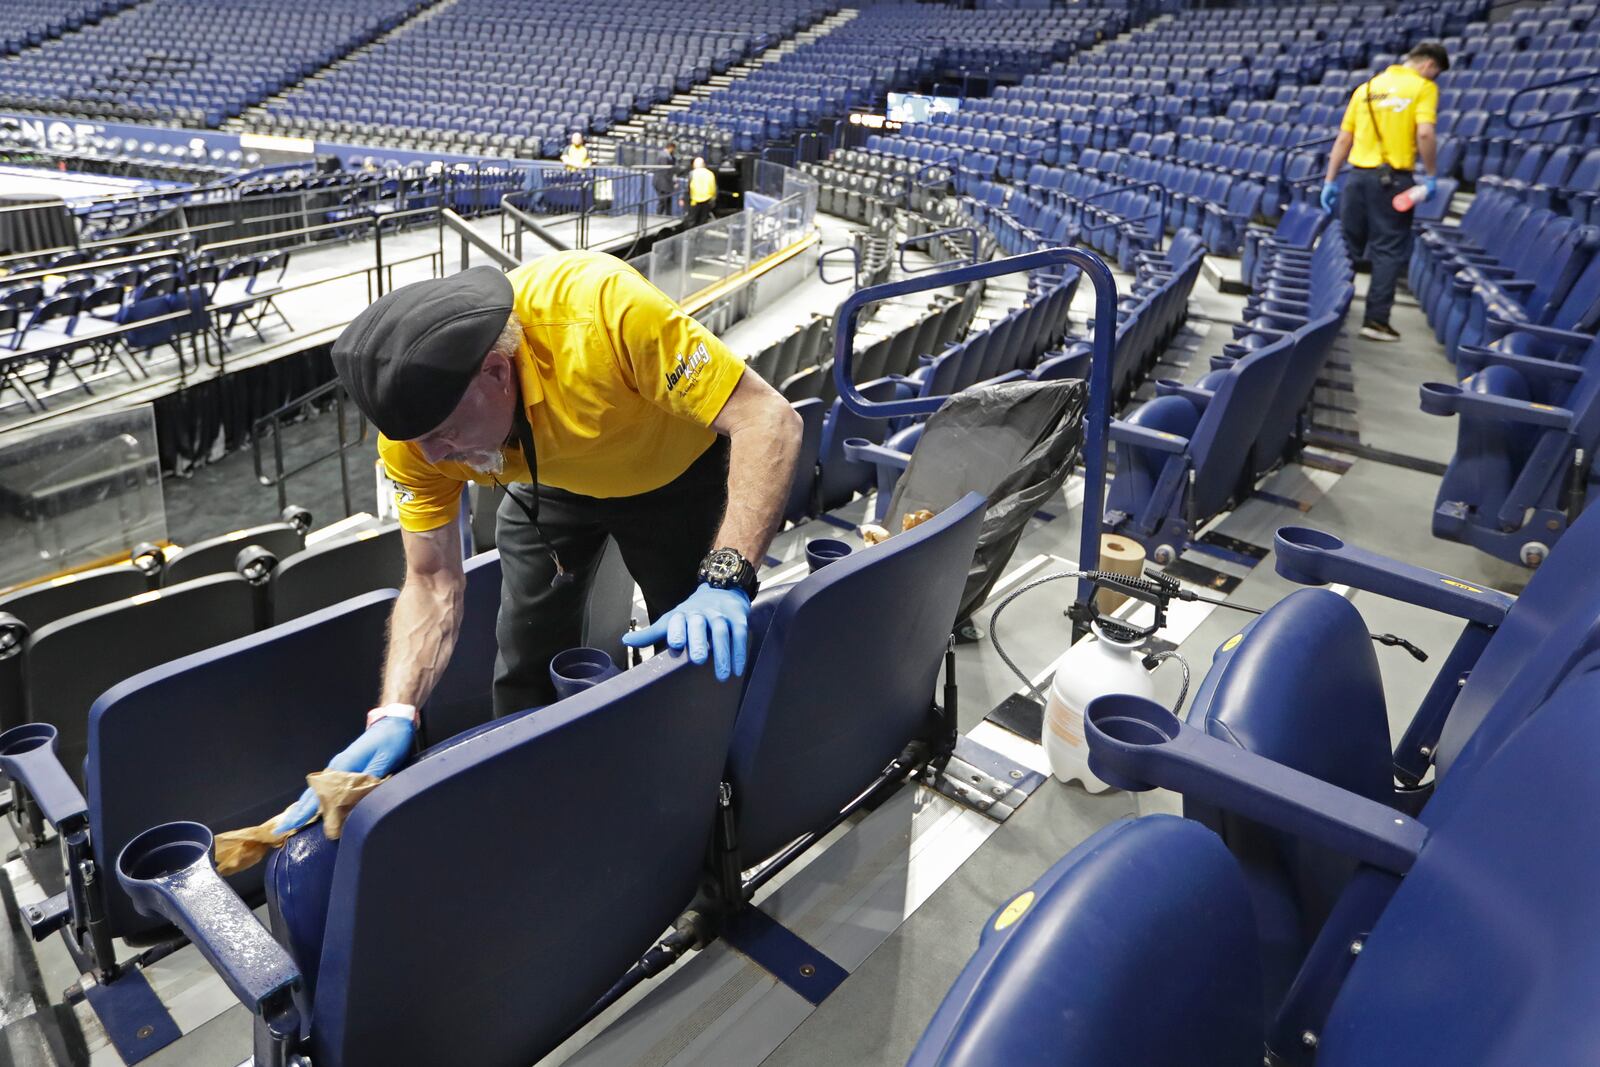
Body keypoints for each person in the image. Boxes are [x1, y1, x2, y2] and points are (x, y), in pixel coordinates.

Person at [273, 254, 803, 833]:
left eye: (442, 433)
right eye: (414, 442)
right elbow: (431, 579)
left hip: (674, 474)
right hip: (547, 482)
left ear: (498, 373)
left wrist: (727, 577)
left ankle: (704, 811)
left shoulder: (605, 312)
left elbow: (768, 418)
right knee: (523, 649)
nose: (432, 458)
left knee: (696, 650)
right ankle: (528, 807)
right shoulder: (418, 441)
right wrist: (395, 709)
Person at [1320, 41, 1448, 343]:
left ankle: (1332, 313)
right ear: (1429, 64)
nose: (1434, 78)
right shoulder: (1422, 87)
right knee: (1388, 249)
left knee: (1348, 246)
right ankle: (1376, 321)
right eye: (1436, 73)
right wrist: (1430, 175)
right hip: (1392, 180)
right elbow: (1426, 132)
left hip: (1356, 178)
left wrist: (1329, 180)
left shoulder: (1366, 89)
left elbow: (1343, 139)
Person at [686, 156, 717, 228]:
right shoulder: (710, 173)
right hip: (707, 200)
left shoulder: (692, 173)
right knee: (703, 221)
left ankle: (691, 237)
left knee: (692, 221)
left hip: (694, 201)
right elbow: (713, 187)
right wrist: (713, 199)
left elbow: (688, 187)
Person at [654, 140, 679, 216]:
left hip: (666, 183)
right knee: (662, 201)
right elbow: (665, 171)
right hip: (662, 183)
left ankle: (668, 216)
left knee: (668, 201)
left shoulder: (669, 156)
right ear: (671, 147)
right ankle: (658, 216)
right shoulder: (663, 156)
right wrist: (673, 182)